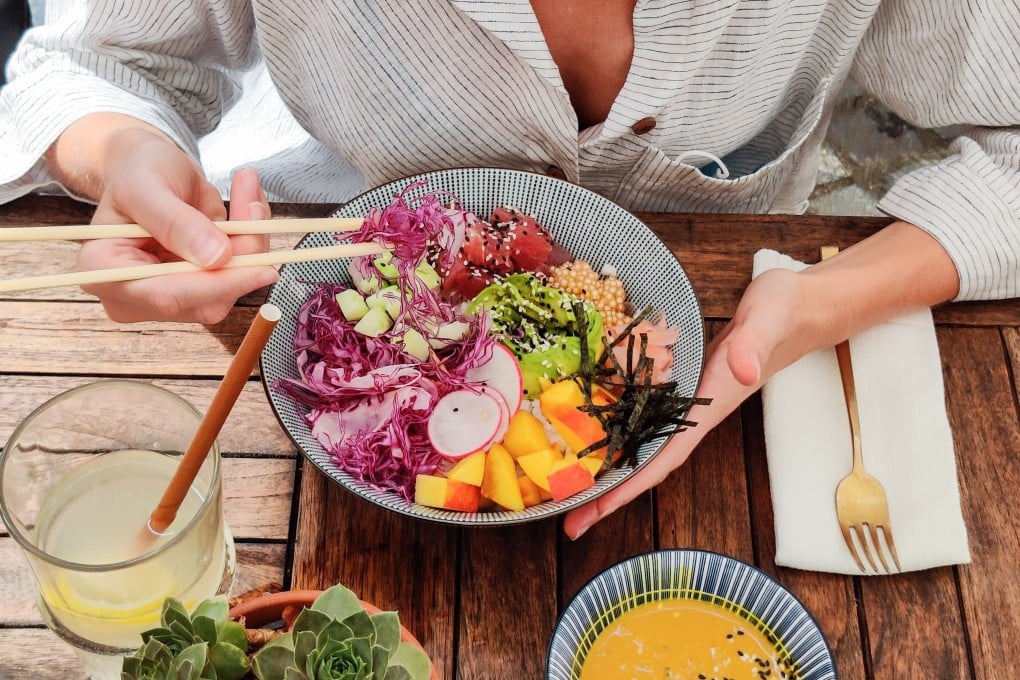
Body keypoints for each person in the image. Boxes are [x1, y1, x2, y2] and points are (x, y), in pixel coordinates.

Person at [0, 1, 1017, 538]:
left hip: (720, 399)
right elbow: (91, 61)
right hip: (300, 272)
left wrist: (816, 302)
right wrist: (127, 156)